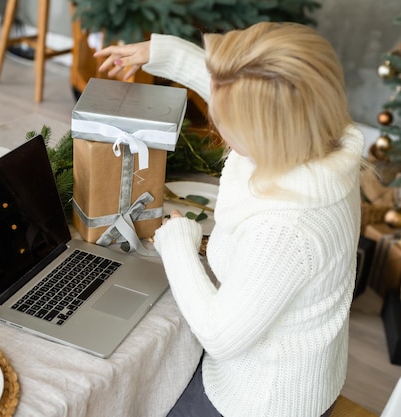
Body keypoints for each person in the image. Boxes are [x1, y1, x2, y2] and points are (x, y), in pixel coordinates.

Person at [94, 22, 364, 417]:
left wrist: (177, 243)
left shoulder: (286, 228)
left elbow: (219, 335)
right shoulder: (321, 137)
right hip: (283, 374)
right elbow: (244, 89)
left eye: (224, 120)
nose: (216, 121)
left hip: (259, 401)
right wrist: (160, 54)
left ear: (264, 133)